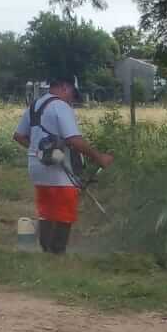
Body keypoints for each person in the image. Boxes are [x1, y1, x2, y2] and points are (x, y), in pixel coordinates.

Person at [13, 78, 113, 254]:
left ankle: (46, 251)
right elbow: (73, 139)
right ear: (65, 87)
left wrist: (40, 151)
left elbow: (19, 136)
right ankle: (57, 252)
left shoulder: (35, 105)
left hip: (37, 167)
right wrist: (100, 158)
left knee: (47, 210)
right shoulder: (60, 106)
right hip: (59, 169)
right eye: (73, 95)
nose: (72, 100)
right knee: (64, 210)